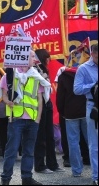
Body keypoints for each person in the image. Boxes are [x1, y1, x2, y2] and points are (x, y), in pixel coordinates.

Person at [0, 50, 50, 185]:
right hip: (16, 119)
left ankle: (27, 178)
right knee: (11, 151)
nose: (35, 59)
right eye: (32, 56)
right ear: (23, 58)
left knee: (29, 151)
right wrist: (7, 101)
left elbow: (39, 99)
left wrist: (38, 118)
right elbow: (4, 94)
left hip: (32, 120)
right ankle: (5, 179)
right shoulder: (10, 75)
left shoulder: (36, 76)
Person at [33, 49, 64, 174]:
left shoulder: (44, 69)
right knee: (40, 137)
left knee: (50, 135)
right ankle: (40, 165)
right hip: (38, 105)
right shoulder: (34, 70)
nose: (49, 60)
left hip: (47, 104)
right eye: (48, 58)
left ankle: (53, 164)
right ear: (44, 58)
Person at [74, 43, 98, 186]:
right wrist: (94, 85)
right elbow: (76, 89)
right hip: (93, 106)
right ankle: (96, 176)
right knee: (95, 144)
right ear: (93, 54)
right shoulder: (83, 69)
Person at [57, 66, 88, 177]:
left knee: (73, 142)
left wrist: (62, 112)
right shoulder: (86, 72)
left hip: (70, 113)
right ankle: (96, 168)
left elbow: (60, 97)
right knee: (91, 141)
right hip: (85, 111)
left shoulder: (63, 76)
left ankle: (76, 171)